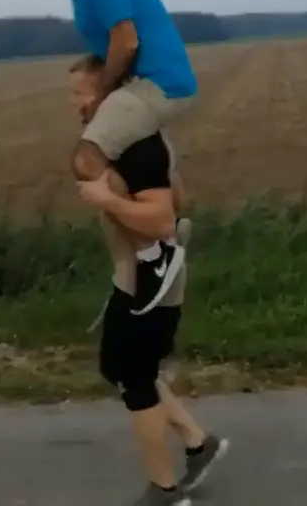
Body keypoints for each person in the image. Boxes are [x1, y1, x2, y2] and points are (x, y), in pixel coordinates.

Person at [70, 54, 230, 506]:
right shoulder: (134, 143)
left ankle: (164, 491)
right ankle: (198, 443)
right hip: (134, 277)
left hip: (150, 283)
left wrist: (106, 199)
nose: (75, 104)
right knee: (119, 367)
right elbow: (180, 197)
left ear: (109, 95)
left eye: (80, 93)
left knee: (136, 382)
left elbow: (161, 221)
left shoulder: (140, 149)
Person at [24, 0, 199, 309]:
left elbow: (126, 40)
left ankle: (155, 254)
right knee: (133, 163)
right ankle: (167, 229)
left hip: (156, 83)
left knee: (87, 160)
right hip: (150, 81)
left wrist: (102, 95)